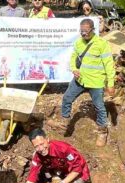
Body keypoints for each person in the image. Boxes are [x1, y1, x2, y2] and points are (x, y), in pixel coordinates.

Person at [48, 18, 115, 147]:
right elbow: (74, 57)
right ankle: (64, 122)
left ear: (92, 30)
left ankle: (102, 131)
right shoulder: (79, 43)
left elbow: (109, 64)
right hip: (80, 80)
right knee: (67, 98)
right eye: (81, 31)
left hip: (96, 82)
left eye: (86, 31)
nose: (83, 34)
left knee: (99, 107)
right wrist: (74, 69)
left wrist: (110, 83)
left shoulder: (102, 44)